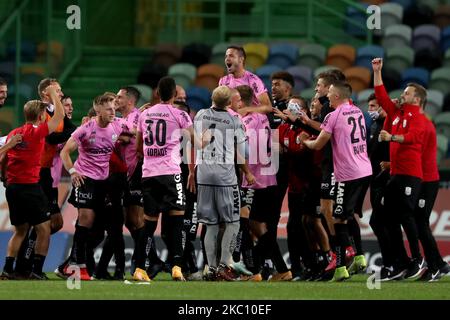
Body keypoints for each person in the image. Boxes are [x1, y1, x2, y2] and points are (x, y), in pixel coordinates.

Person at [303, 81, 372, 281]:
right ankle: (359, 257)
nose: (327, 97)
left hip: (347, 173)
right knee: (348, 216)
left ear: (336, 97)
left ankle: (341, 268)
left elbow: (318, 145)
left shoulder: (333, 116)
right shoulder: (358, 111)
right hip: (364, 170)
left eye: (330, 93)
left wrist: (304, 141)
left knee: (338, 219)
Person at [59, 93, 128, 281]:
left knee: (99, 230)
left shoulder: (118, 125)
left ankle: (69, 264)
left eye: (114, 108)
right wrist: (73, 171)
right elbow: (65, 152)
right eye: (108, 109)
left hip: (104, 182)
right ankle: (77, 265)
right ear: (98, 110)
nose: (113, 111)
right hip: (85, 178)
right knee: (86, 217)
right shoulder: (86, 129)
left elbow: (137, 131)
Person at [0, 84, 65, 280]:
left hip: (12, 187)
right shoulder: (38, 133)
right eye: (45, 114)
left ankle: (8, 269)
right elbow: (60, 116)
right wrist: (54, 94)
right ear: (40, 117)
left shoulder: (14, 133)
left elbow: (3, 160)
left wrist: (4, 177)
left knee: (20, 231)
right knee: (44, 229)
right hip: (30, 187)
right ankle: (36, 271)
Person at [372, 57, 428, 280]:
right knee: (383, 218)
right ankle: (401, 262)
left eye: (407, 93)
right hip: (396, 174)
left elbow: (414, 138)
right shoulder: (397, 113)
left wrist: (392, 136)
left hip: (410, 174)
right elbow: (381, 97)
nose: (402, 95)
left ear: (417, 98)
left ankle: (417, 259)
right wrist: (377, 72)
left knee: (405, 214)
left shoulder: (417, 117)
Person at [135, 76, 195, 282]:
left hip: (149, 173)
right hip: (171, 172)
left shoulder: (144, 115)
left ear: (158, 93)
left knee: (149, 223)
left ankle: (140, 268)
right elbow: (196, 142)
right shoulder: (180, 114)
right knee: (177, 220)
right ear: (175, 95)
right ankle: (177, 267)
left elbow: (138, 148)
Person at [194, 85, 255, 281]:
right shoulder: (234, 119)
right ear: (229, 103)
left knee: (211, 225)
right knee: (233, 222)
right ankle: (224, 265)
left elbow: (195, 141)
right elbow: (244, 153)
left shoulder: (201, 115)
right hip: (225, 178)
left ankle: (210, 268)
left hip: (203, 175)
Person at [415, 106, 450, 281]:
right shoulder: (425, 126)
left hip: (426, 181)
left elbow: (416, 156)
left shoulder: (425, 127)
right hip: (423, 180)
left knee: (421, 224)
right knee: (420, 224)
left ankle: (435, 266)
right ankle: (439, 264)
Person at [219, 45, 272, 114]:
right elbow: (219, 103)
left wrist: (247, 110)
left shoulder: (253, 80)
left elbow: (268, 107)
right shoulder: (223, 80)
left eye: (231, 56)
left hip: (250, 121)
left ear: (241, 59)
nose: (227, 59)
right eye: (226, 56)